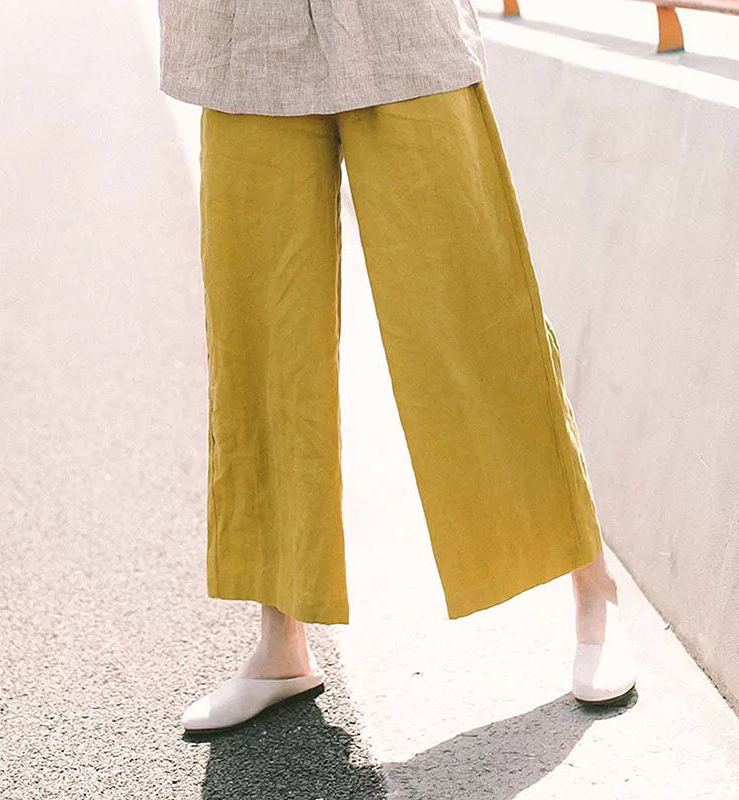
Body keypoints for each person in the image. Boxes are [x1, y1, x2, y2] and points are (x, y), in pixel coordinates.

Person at [156, 0, 637, 733]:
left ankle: (592, 586)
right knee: (260, 345)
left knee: (478, 316)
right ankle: (280, 643)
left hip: (399, 28)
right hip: (243, 36)